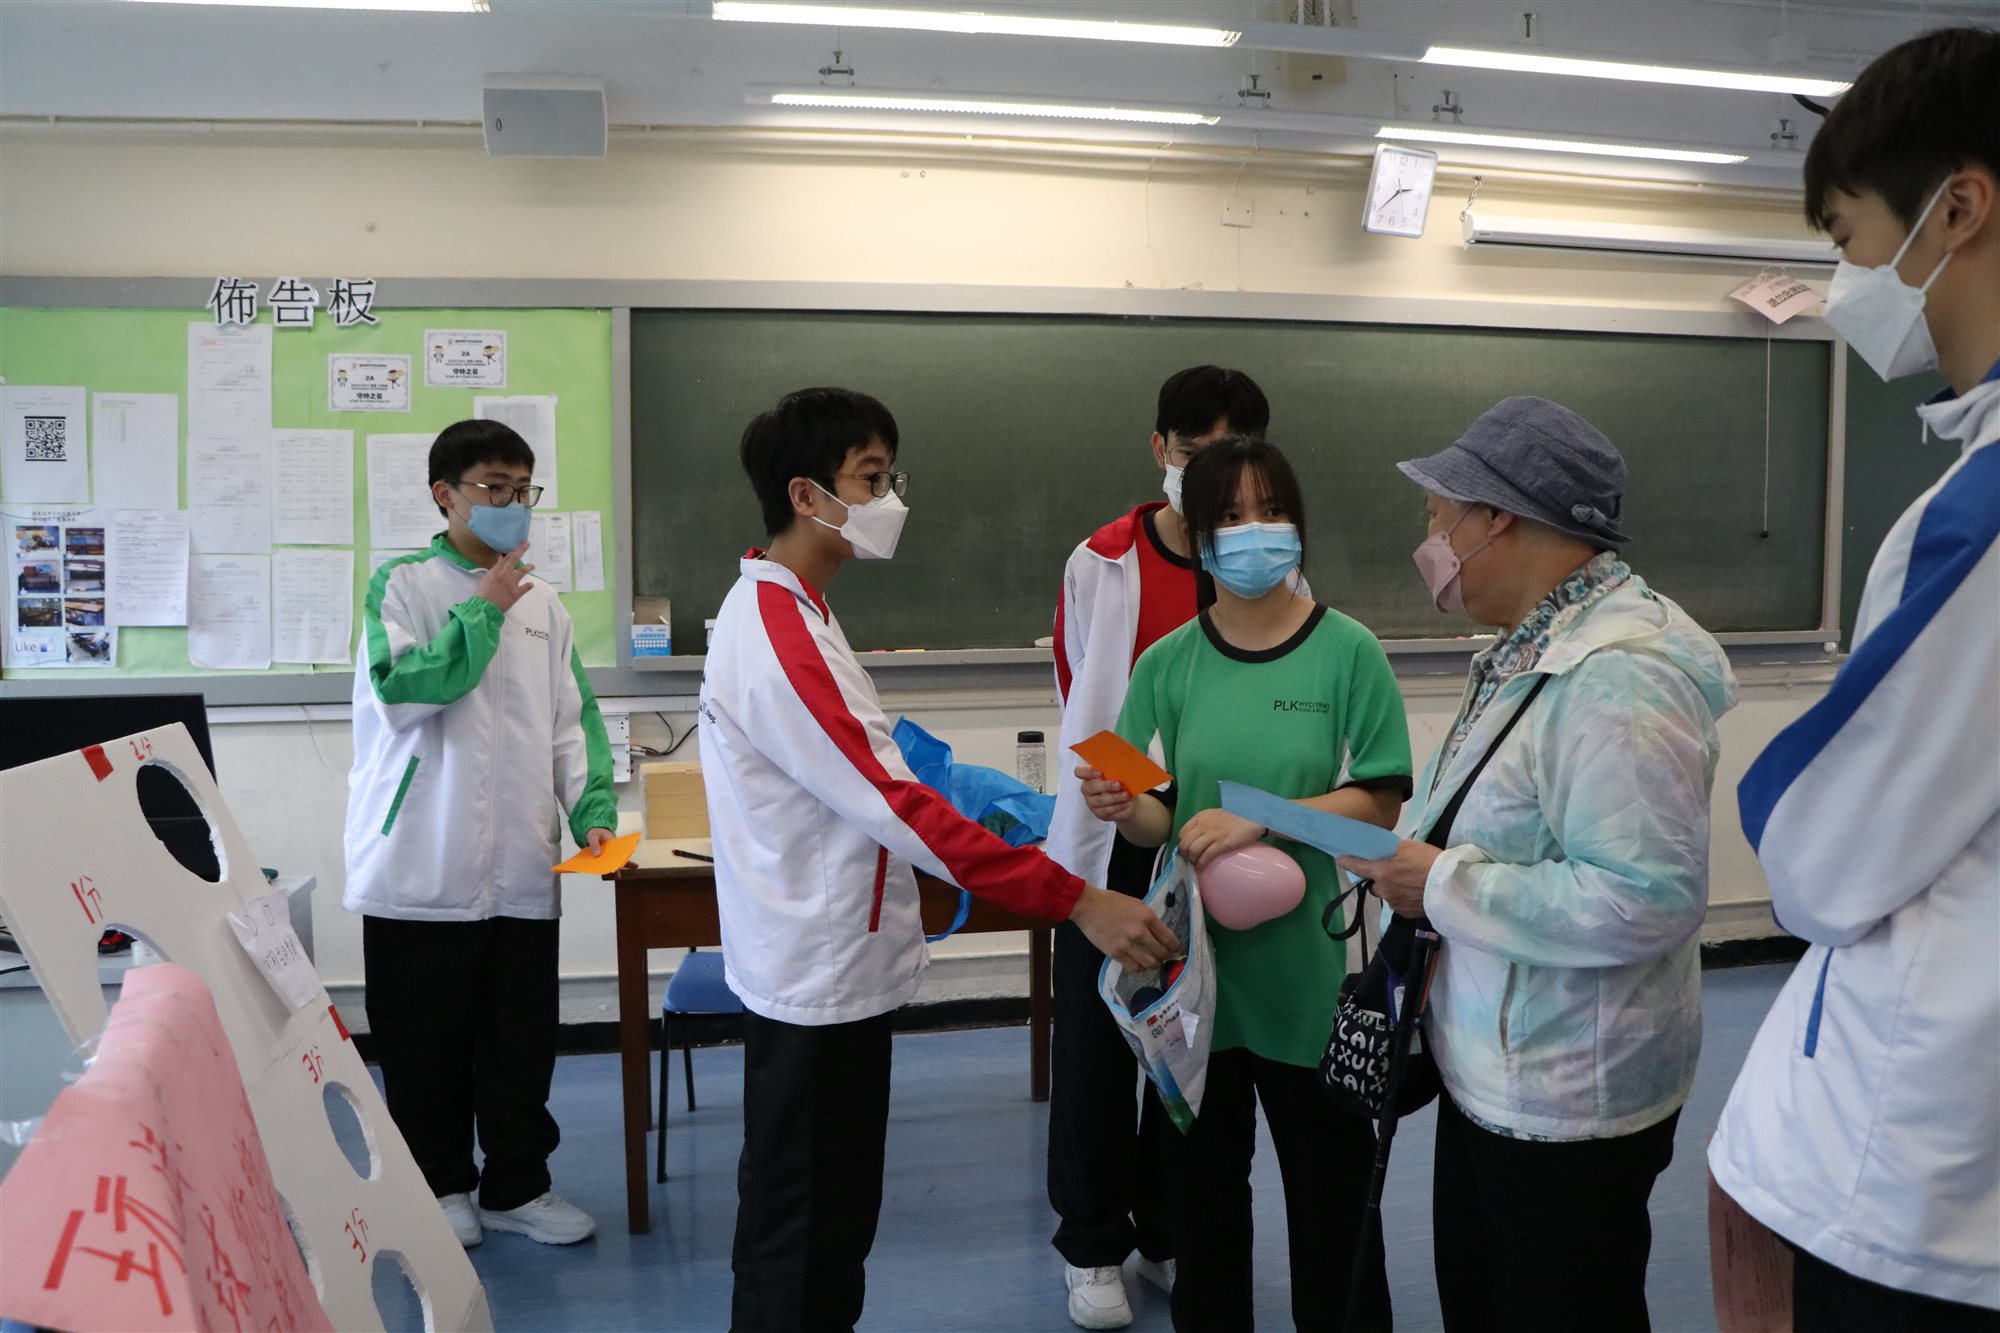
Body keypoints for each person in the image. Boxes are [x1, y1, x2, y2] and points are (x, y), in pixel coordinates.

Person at [700, 386, 1178, 1333]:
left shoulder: (799, 607)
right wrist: (1075, 897)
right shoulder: (778, 629)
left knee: (829, 1217)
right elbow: (895, 803)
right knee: (803, 1229)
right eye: (871, 479)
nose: (890, 499)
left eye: (890, 476)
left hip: (830, 962)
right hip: (815, 972)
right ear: (806, 494)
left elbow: (879, 780)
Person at [1707, 26, 2000, 1331]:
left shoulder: (1980, 511)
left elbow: (1824, 855)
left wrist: (1784, 816)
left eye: (1846, 236)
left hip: (1931, 1179)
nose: (1846, 279)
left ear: (1958, 207)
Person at [1337, 397, 1738, 1333]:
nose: (1432, 542)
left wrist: (1438, 882)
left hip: (1564, 1098)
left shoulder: (1621, 678)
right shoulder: (1536, 644)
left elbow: (1645, 897)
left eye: (1439, 517)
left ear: (1497, 517)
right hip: (1497, 1066)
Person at [1080, 436, 1410, 1333]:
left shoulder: (1348, 651)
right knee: (1202, 1202)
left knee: (1333, 1195)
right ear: (1198, 536)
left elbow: (1378, 807)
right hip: (1194, 980)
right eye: (1230, 516)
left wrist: (1257, 817)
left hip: (1309, 978)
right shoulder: (1166, 663)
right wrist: (1123, 805)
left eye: (1273, 510)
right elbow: (1158, 816)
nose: (1255, 531)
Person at [344, 418, 617, 1249]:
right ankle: (439, 1186)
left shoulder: (546, 605)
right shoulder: (402, 586)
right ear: (446, 494)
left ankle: (516, 1185)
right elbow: (407, 691)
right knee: (423, 1045)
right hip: (419, 864)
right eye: (494, 487)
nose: (512, 504)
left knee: (518, 1044)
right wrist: (483, 611)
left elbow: (573, 723)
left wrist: (592, 811)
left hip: (521, 866)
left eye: (523, 489)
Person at [1045, 365, 1270, 1330]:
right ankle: (1092, 1244)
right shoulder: (1101, 560)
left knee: (1193, 1049)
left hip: (1219, 842)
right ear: (1159, 451)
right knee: (1099, 1052)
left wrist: (1207, 809)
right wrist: (1149, 799)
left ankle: (1167, 1231)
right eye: (1192, 451)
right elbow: (1082, 696)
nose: (1210, 470)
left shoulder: (1264, 560)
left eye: (1231, 451)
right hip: (1115, 836)